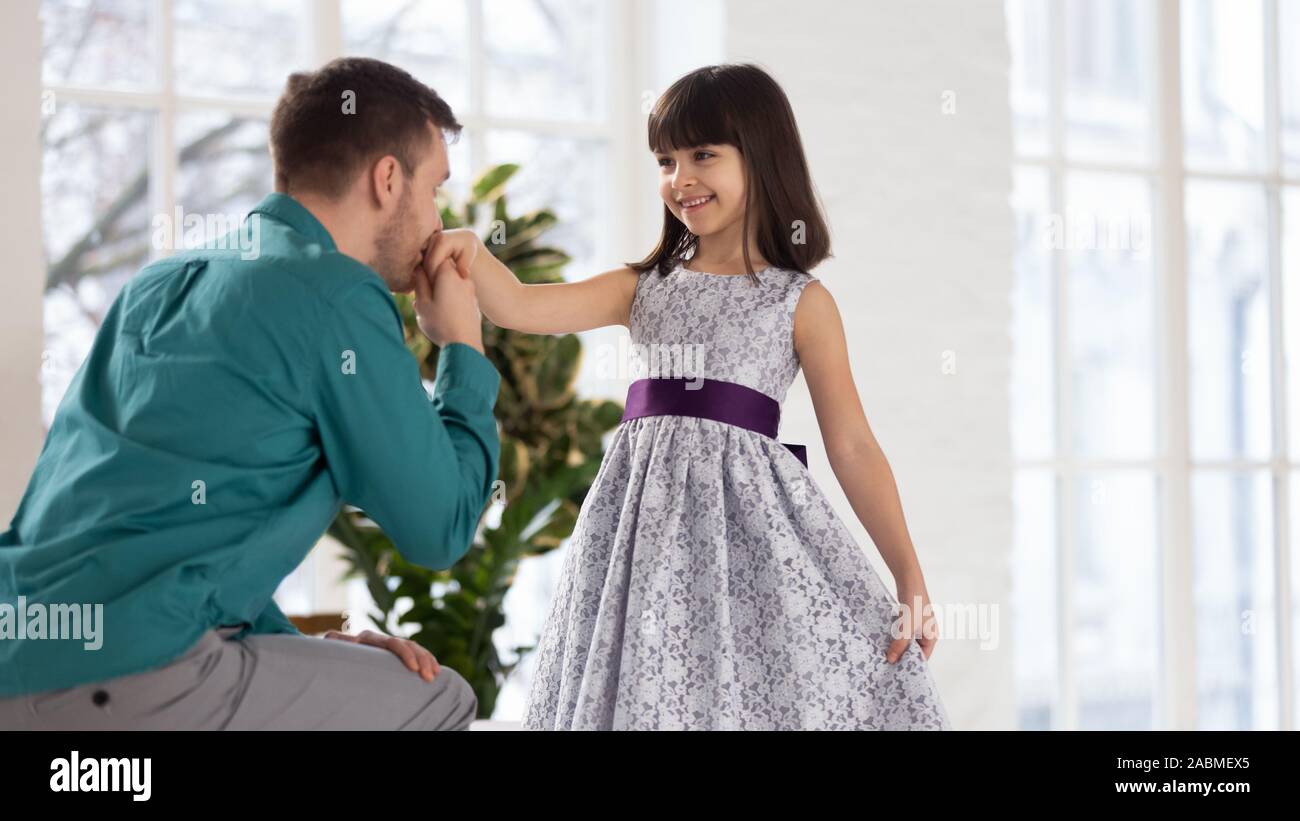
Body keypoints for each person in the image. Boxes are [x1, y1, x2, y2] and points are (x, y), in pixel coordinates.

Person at [423, 63, 953, 729]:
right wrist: (470, 251)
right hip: (639, 530)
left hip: (747, 536)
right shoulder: (643, 286)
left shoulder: (801, 301)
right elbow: (523, 305)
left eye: (704, 154)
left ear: (761, 157)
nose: (681, 179)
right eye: (666, 160)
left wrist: (908, 575)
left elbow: (852, 445)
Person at [0, 57, 499, 731]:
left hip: (19, 661)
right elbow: (439, 526)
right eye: (435, 187)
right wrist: (462, 347)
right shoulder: (335, 295)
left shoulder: (161, 283)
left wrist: (293, 653)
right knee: (442, 698)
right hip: (130, 684)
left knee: (368, 683)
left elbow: (141, 527)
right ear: (388, 179)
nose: (437, 221)